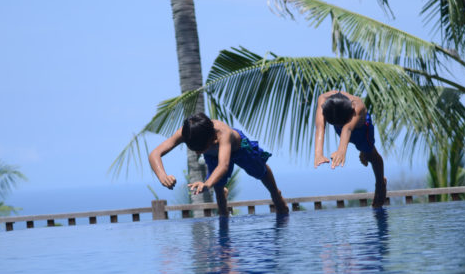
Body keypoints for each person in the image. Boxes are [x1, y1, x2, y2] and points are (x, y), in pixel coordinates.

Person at [149, 112, 289, 216]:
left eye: (200, 150)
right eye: (194, 150)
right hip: (213, 156)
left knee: (260, 171)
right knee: (219, 193)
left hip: (239, 149)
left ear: (212, 139)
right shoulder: (186, 133)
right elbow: (155, 153)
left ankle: (276, 194)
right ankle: (223, 214)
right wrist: (163, 176)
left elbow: (223, 166)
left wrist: (206, 184)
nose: (198, 154)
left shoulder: (223, 133)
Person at [314, 90, 387, 207]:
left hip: (362, 128)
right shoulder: (323, 100)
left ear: (352, 108)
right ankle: (362, 151)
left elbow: (347, 129)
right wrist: (318, 154)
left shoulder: (357, 106)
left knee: (371, 155)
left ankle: (380, 184)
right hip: (341, 121)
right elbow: (320, 126)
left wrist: (341, 151)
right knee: (360, 148)